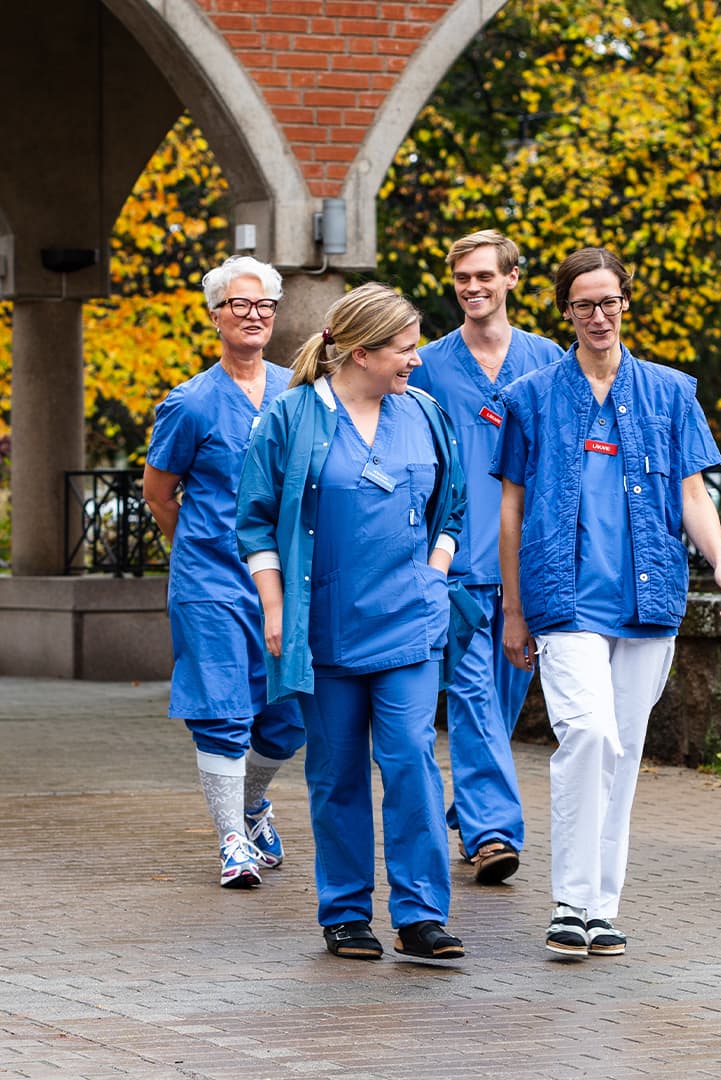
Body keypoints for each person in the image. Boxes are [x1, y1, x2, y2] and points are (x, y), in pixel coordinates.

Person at [494, 247, 721, 959]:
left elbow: (692, 493)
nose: (597, 316)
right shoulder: (532, 397)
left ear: (625, 304)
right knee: (590, 735)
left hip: (648, 597)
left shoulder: (671, 393)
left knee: (624, 751)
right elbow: (511, 509)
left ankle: (601, 909)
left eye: (608, 302)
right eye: (583, 305)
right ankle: (570, 902)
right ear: (566, 312)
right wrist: (513, 607)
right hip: (562, 598)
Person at [236, 283, 472, 962]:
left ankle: (421, 914)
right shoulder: (293, 416)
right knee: (336, 772)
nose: (417, 361)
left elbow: (452, 505)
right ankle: (344, 914)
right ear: (362, 352)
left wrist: (435, 568)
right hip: (324, 625)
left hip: (409, 625)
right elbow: (252, 520)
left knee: (410, 762)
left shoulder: (424, 414)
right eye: (404, 349)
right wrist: (275, 605)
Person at [407, 230, 564, 886]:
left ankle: (470, 808)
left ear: (511, 279)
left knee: (499, 705)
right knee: (471, 694)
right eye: (462, 278)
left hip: (527, 569)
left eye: (484, 277)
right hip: (459, 565)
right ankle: (494, 830)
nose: (472, 288)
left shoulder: (550, 360)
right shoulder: (429, 365)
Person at [143, 256, 305, 890]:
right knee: (221, 710)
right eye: (240, 304)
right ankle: (232, 840)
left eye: (264, 304)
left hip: (285, 582)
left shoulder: (300, 393)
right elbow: (160, 492)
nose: (254, 315)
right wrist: (197, 548)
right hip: (209, 580)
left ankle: (253, 800)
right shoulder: (189, 404)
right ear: (215, 316)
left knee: (287, 715)